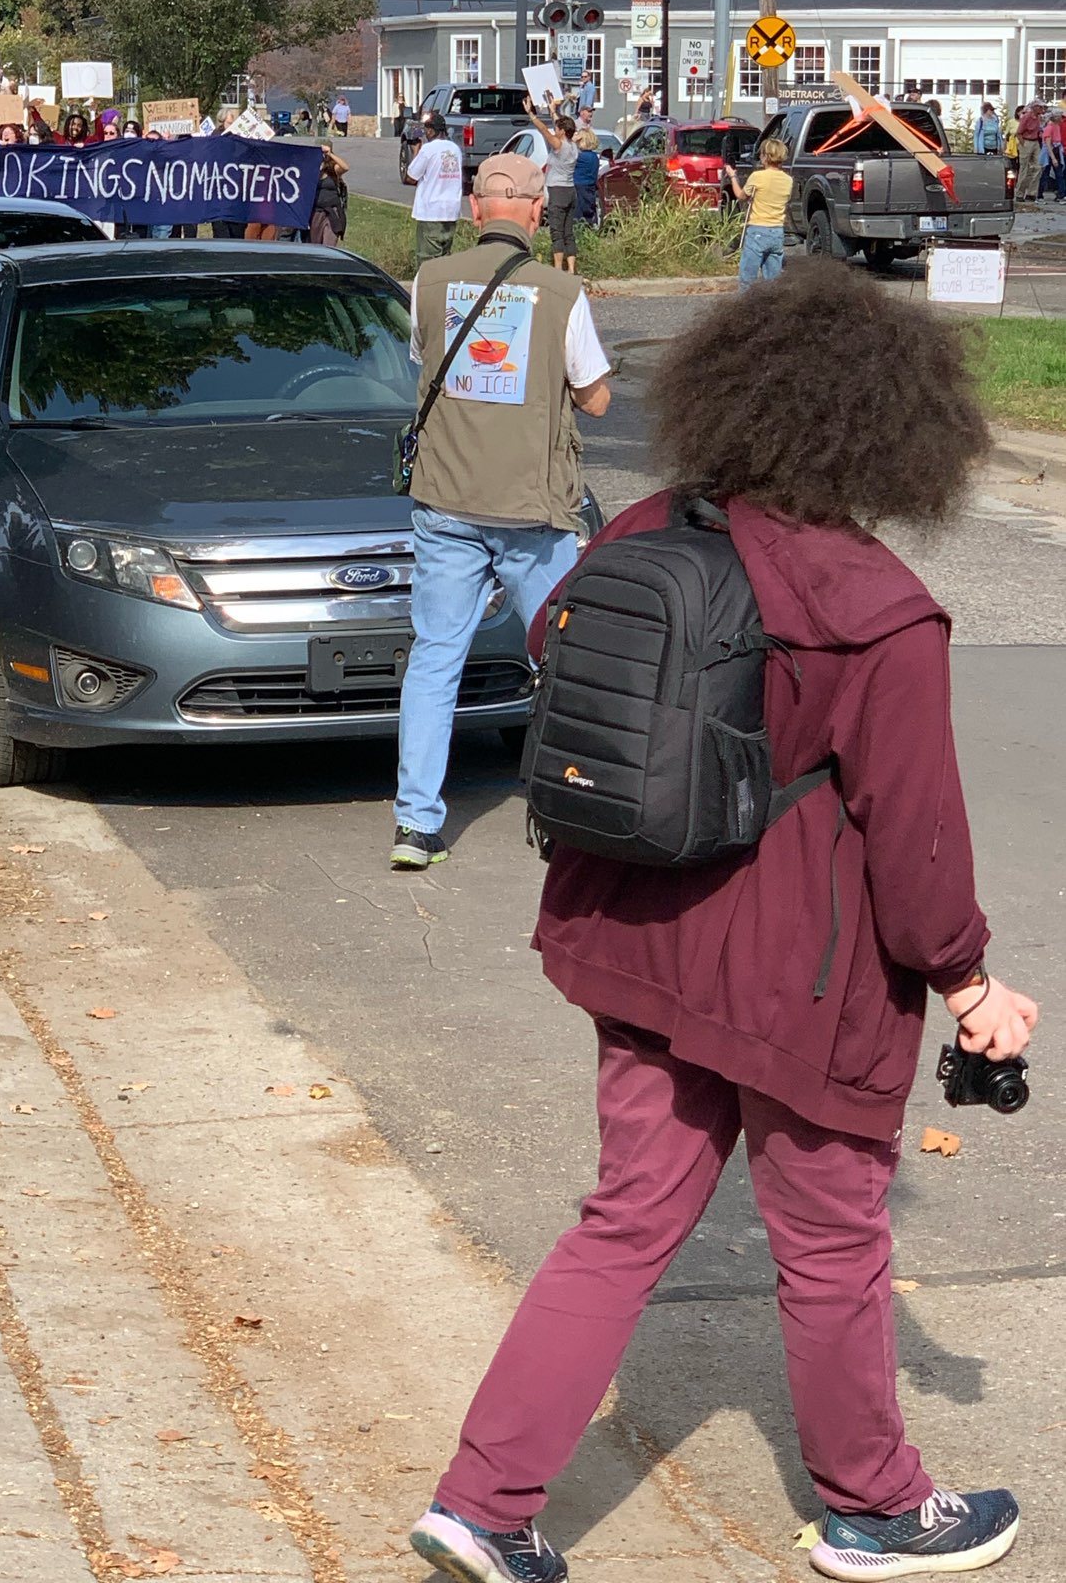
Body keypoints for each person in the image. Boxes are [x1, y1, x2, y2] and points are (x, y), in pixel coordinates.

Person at [409, 259, 1035, 1583]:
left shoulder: (641, 531)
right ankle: (875, 1507)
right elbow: (918, 842)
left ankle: (483, 1503)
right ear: (894, 434)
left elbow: (563, 663)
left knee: (625, 1220)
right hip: (799, 984)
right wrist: (970, 982)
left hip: (635, 940)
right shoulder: (877, 609)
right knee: (833, 1243)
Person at [391, 150, 612, 869]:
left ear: (475, 209)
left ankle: (415, 826)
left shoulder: (429, 282)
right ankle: (573, 810)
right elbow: (596, 399)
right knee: (566, 660)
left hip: (446, 501)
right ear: (538, 212)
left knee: (435, 659)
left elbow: (425, 361)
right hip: (532, 509)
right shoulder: (561, 292)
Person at [724, 137, 794, 287]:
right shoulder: (788, 180)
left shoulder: (757, 177)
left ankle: (746, 302)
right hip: (777, 231)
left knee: (747, 279)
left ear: (766, 156)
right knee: (773, 281)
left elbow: (741, 196)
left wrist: (733, 176)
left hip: (758, 230)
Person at [404, 110, 465, 266]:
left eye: (426, 130)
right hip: (451, 210)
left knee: (427, 259)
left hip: (431, 211)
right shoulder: (455, 149)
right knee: (444, 259)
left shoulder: (428, 149)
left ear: (431, 131)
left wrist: (416, 151)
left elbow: (411, 177)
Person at [525, 97, 578, 272]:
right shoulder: (573, 145)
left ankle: (558, 268)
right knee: (568, 232)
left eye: (557, 129)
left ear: (562, 132)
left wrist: (532, 115)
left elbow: (544, 131)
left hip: (558, 191)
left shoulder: (559, 145)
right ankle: (571, 268)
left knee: (557, 231)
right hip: (570, 191)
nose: (555, 130)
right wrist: (553, 110)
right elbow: (559, 125)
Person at [307, 145, 349, 246]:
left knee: (329, 243)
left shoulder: (333, 171)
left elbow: (345, 167)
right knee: (315, 245)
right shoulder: (310, 172)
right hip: (316, 212)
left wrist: (329, 154)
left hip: (332, 212)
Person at [572, 128, 601, 226]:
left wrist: (572, 141)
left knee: (578, 218)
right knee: (589, 217)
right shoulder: (594, 156)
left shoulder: (580, 157)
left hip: (579, 190)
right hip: (590, 188)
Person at [1015, 100, 1042, 202]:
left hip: (1035, 141)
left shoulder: (1038, 118)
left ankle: (1031, 192)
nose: (1042, 109)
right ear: (1034, 107)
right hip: (1026, 141)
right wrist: (1023, 144)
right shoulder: (1026, 117)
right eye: (1040, 107)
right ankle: (1019, 193)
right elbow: (1018, 132)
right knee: (1024, 168)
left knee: (1038, 167)